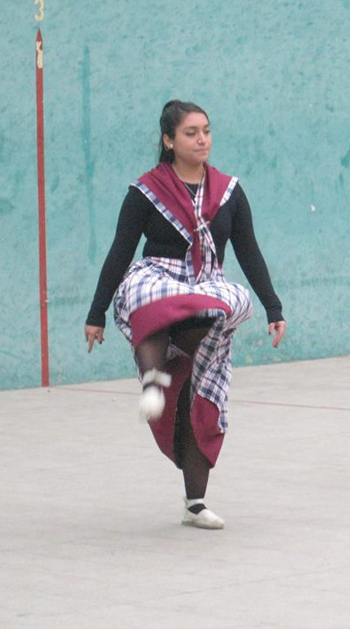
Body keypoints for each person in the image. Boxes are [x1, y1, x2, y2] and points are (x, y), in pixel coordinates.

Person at [85, 100, 286, 528]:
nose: (202, 140)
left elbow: (249, 252)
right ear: (169, 140)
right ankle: (154, 378)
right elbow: (120, 252)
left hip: (206, 286)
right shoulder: (145, 192)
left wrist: (273, 305)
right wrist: (97, 311)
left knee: (205, 388)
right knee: (145, 293)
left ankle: (195, 503)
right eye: (191, 133)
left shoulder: (229, 191)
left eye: (207, 131)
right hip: (162, 278)